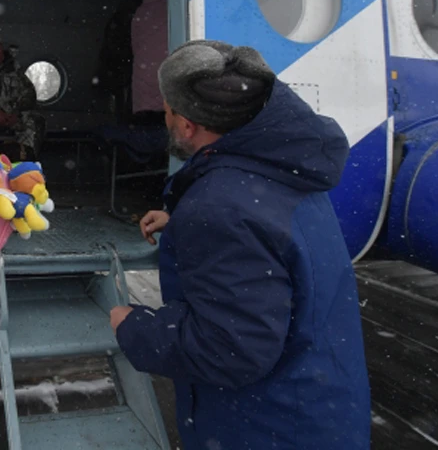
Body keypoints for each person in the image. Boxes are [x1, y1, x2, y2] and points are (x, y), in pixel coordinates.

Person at [110, 40, 371, 450]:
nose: (164, 116)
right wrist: (185, 226)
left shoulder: (222, 208)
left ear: (187, 125)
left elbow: (230, 349)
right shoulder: (282, 170)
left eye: (167, 108)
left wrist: (135, 327)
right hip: (320, 411)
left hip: (266, 430)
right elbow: (270, 241)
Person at [0, 37, 44, 161]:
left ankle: (25, 163)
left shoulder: (13, 70)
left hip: (11, 117)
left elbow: (28, 95)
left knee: (35, 122)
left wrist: (15, 114)